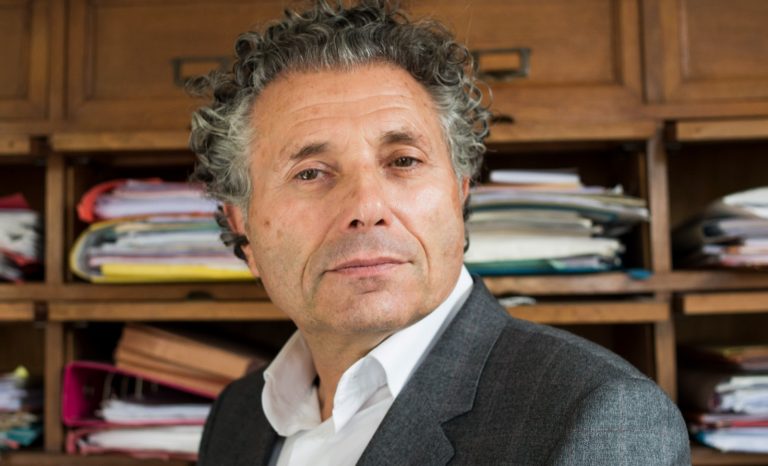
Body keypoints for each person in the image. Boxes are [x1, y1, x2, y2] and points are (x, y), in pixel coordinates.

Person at [188, 1, 690, 464]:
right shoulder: (237, 416)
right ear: (242, 225)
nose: (367, 208)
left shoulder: (600, 416)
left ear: (459, 191)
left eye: (403, 161)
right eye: (311, 173)